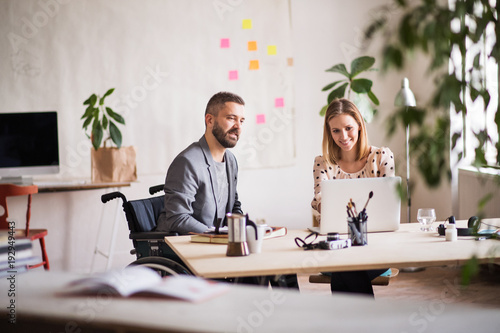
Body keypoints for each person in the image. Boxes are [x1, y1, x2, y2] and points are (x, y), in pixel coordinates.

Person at [311, 98, 395, 297]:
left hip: (376, 249)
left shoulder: (382, 157)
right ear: (329, 132)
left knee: (345, 270)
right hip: (338, 249)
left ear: (359, 126)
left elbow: (389, 205)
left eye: (349, 128)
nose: (344, 136)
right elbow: (321, 204)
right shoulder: (322, 163)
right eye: (336, 130)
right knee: (346, 266)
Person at [156, 91, 245, 234]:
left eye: (241, 121)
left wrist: (242, 231)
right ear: (210, 120)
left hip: (215, 245)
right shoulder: (187, 162)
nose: (238, 126)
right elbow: (178, 218)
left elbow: (234, 205)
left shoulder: (231, 160)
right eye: (231, 118)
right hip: (182, 247)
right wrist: (217, 236)